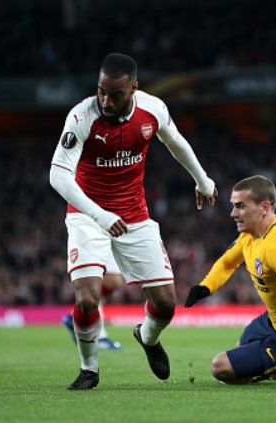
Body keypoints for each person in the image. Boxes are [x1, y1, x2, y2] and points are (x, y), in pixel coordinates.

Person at [49, 52, 217, 390]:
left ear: (134, 88)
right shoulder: (82, 116)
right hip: (87, 214)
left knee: (167, 304)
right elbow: (58, 175)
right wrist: (99, 214)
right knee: (86, 298)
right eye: (101, 92)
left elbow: (175, 141)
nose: (106, 101)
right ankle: (89, 370)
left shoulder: (152, 109)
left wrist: (202, 180)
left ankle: (147, 337)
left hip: (134, 215)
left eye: (116, 94)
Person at [185, 175, 276, 384]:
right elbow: (228, 263)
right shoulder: (250, 235)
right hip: (273, 321)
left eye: (240, 206)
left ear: (264, 207)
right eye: (233, 206)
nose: (233, 213)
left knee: (220, 367)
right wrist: (206, 287)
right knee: (239, 350)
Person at [61, 253, 123, 350]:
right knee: (107, 279)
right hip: (95, 238)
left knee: (114, 281)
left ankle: (78, 317)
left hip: (114, 238)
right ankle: (99, 336)